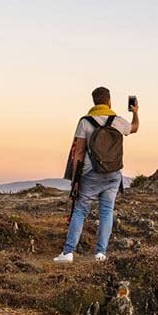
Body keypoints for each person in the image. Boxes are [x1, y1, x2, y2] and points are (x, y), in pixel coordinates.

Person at [54, 86, 139, 263]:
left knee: (80, 212)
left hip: (90, 174)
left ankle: (68, 253)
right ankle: (100, 253)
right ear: (109, 101)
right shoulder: (118, 121)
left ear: (94, 101)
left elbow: (78, 152)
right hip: (113, 173)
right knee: (106, 211)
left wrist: (75, 179)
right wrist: (135, 112)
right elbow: (134, 128)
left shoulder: (85, 122)